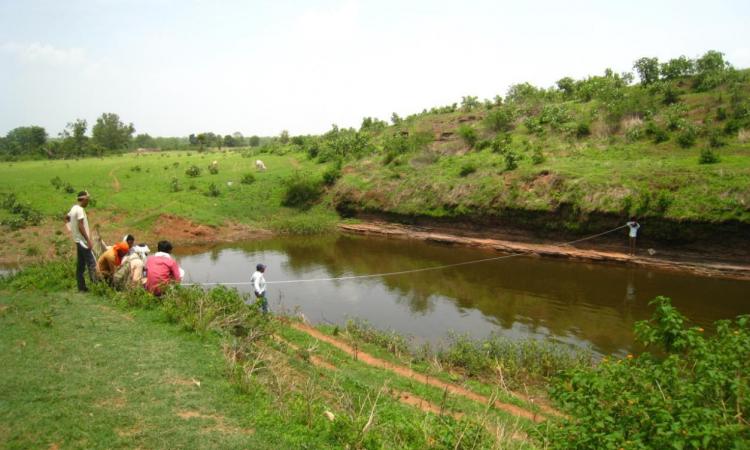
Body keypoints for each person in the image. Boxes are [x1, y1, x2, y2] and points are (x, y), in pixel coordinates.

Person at [65, 191, 98, 292]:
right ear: (83, 199)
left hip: (77, 240)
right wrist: (88, 240)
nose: (88, 202)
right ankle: (96, 287)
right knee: (92, 263)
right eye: (87, 200)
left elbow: (66, 218)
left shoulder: (73, 208)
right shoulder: (79, 210)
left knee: (80, 265)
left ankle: (81, 288)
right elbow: (80, 225)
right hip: (83, 242)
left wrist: (70, 229)